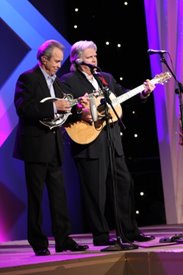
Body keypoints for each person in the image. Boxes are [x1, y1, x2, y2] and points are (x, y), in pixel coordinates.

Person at [59, 40, 155, 247]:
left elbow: (122, 94)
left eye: (96, 55)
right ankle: (101, 235)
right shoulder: (67, 81)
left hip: (112, 138)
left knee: (123, 184)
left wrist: (144, 92)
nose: (95, 59)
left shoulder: (106, 78)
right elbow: (63, 109)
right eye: (90, 56)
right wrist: (81, 110)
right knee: (95, 191)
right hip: (88, 141)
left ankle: (129, 232)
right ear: (77, 59)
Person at [13, 40, 88, 256]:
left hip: (54, 146)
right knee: (36, 197)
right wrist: (53, 105)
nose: (58, 65)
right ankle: (38, 243)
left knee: (59, 196)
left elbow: (63, 112)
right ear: (44, 60)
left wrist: (76, 107)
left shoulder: (57, 82)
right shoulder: (28, 78)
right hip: (35, 147)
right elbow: (24, 109)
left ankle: (63, 239)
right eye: (55, 61)